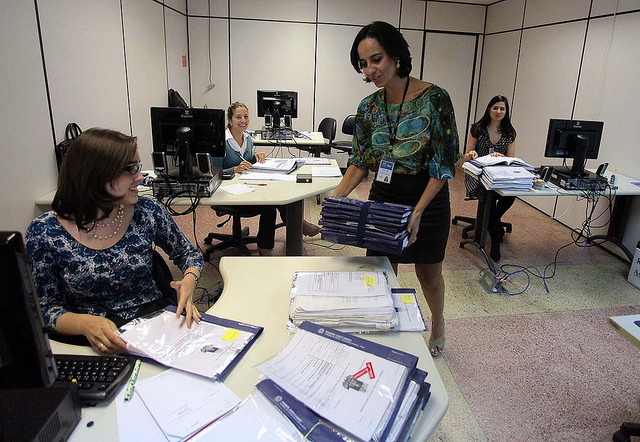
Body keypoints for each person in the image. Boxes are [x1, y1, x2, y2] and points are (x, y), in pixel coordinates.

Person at [333, 21, 459, 357]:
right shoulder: (368, 108)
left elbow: (443, 164)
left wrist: (417, 212)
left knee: (428, 274)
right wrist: (335, 200)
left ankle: (438, 320)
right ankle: (384, 323)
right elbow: (360, 162)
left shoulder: (435, 99)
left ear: (397, 55)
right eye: (363, 64)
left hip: (427, 200)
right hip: (384, 199)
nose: (370, 69)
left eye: (376, 59)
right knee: (381, 272)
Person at [25, 128, 204, 354]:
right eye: (130, 169)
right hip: (90, 339)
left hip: (153, 326)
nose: (140, 176)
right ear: (96, 175)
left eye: (138, 166)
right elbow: (42, 309)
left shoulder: (147, 212)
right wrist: (84, 323)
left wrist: (188, 280)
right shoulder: (45, 232)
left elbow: (189, 254)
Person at [222, 101, 321, 256]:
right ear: (229, 120)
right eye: (238, 117)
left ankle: (296, 228)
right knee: (269, 205)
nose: (243, 120)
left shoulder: (247, 138)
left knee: (276, 197)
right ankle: (267, 245)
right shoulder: (221, 141)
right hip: (226, 192)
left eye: (246, 117)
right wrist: (234, 169)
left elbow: (246, 161)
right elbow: (213, 174)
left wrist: (256, 157)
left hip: (246, 185)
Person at [461, 95, 517, 262]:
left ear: (506, 112)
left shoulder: (510, 133)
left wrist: (502, 157)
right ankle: (495, 241)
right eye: (495, 108)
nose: (498, 111)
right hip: (477, 175)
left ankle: (494, 223)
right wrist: (471, 154)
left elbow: (511, 159)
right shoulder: (478, 128)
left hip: (499, 175)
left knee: (510, 196)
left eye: (502, 109)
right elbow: (466, 156)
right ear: (489, 109)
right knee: (490, 199)